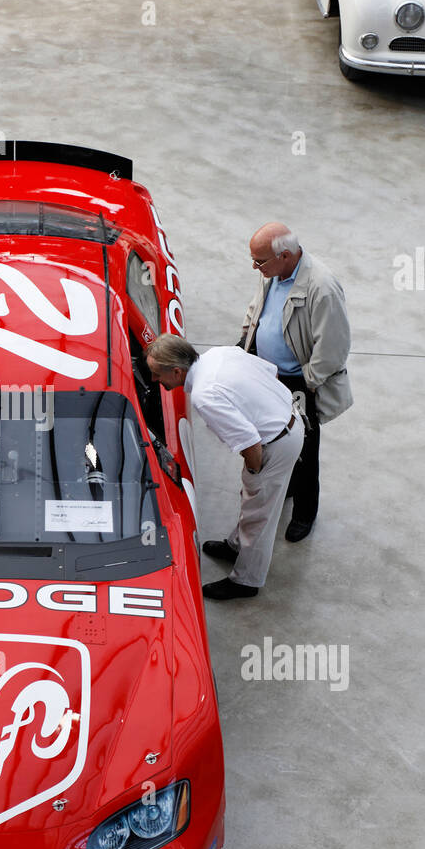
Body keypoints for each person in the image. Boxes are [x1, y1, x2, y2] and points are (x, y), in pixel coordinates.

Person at [146, 335, 303, 601]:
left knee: (259, 516)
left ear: (176, 371)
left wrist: (255, 473)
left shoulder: (204, 396)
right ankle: (235, 546)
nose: (153, 381)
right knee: (253, 503)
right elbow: (270, 372)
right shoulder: (220, 353)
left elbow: (250, 443)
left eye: (155, 374)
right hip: (289, 421)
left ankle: (246, 581)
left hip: (274, 444)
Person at [240, 224, 352, 541]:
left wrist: (308, 383)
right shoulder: (272, 272)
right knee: (274, 439)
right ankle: (286, 487)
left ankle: (305, 513)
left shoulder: (322, 287)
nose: (254, 267)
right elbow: (256, 309)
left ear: (285, 255)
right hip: (267, 375)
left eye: (259, 261)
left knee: (304, 450)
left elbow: (334, 348)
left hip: (297, 382)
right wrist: (244, 342)